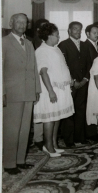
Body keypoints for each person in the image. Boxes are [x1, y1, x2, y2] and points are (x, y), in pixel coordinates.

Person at [2, 13, 41, 174]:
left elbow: (34, 67)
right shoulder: (3, 42)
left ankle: (20, 160)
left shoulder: (29, 43)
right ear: (11, 23)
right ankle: (9, 162)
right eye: (18, 22)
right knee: (11, 128)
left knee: (25, 128)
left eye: (24, 22)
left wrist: (37, 89)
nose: (21, 25)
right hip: (12, 92)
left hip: (28, 91)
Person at [34, 23, 74, 157]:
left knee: (57, 117)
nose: (58, 37)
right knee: (50, 118)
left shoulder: (55, 49)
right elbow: (43, 72)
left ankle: (54, 144)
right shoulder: (41, 51)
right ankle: (48, 146)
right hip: (49, 90)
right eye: (57, 35)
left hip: (60, 89)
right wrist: (51, 91)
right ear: (49, 36)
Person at [58, 21, 92, 147]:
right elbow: (63, 65)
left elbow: (89, 64)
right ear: (69, 31)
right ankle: (69, 139)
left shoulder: (85, 45)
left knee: (81, 110)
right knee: (69, 112)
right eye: (75, 29)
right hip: (69, 84)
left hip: (83, 84)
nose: (78, 31)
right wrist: (72, 81)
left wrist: (84, 80)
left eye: (79, 29)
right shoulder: (63, 45)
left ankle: (80, 138)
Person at [31, 18, 49, 151]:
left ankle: (42, 137)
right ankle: (38, 138)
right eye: (43, 28)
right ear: (37, 30)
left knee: (45, 108)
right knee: (38, 108)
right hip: (36, 78)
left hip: (47, 78)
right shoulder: (34, 42)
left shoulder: (47, 42)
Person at [83, 24, 98, 143]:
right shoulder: (85, 45)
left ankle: (94, 131)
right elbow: (87, 65)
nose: (97, 34)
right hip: (89, 80)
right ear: (87, 34)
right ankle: (90, 133)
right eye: (94, 32)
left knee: (94, 106)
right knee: (89, 107)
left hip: (95, 80)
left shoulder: (95, 45)